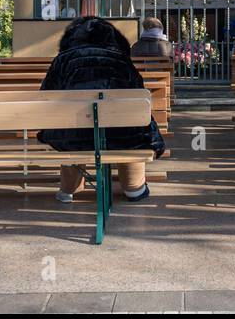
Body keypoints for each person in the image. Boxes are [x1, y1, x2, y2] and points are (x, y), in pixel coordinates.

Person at [38, 16, 166, 203]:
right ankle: (134, 188)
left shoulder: (62, 60)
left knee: (68, 132)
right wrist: (154, 139)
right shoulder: (121, 60)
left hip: (74, 136)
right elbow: (138, 99)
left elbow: (46, 97)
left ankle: (67, 190)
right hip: (120, 134)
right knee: (132, 131)